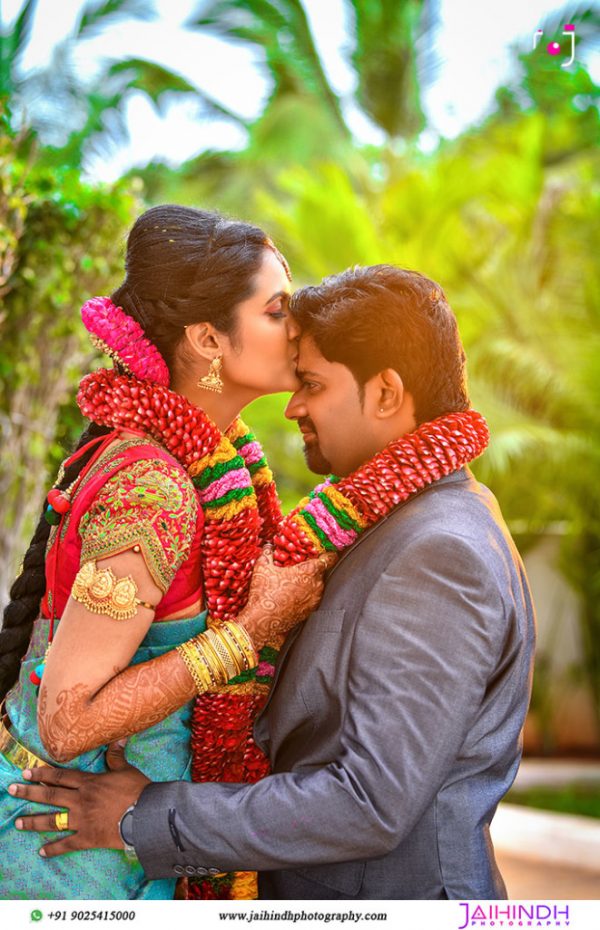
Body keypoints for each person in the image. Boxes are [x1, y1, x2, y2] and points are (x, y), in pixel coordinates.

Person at [11, 265, 535, 900]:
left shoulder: (438, 551)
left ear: (388, 392)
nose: (294, 407)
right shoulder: (388, 523)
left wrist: (139, 815)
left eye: (312, 384)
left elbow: (368, 802)